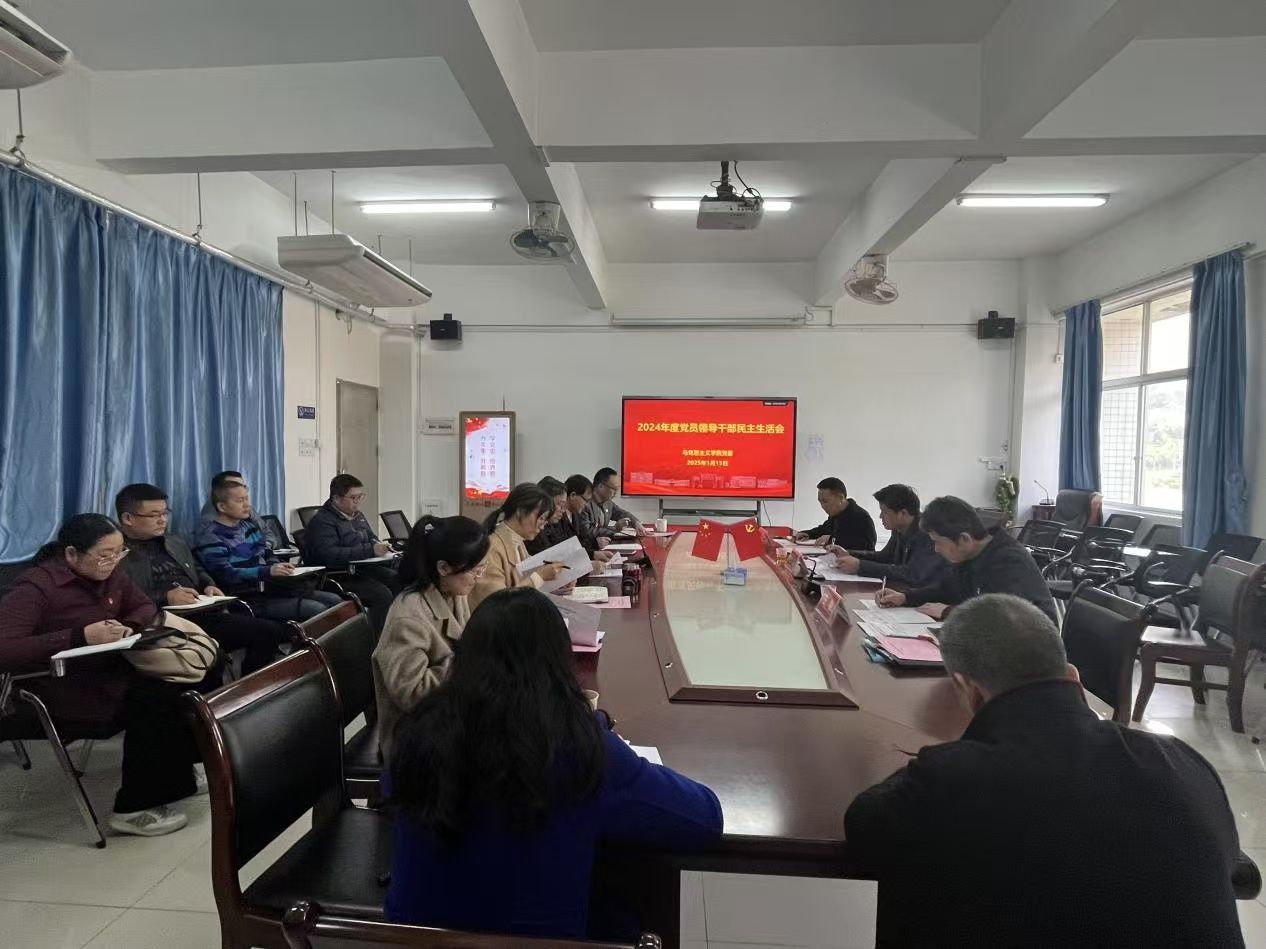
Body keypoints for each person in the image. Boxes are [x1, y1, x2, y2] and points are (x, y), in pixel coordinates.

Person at [844, 594, 1244, 947]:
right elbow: (1232, 867)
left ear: (968, 690)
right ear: (1073, 676)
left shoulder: (953, 778)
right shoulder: (1180, 760)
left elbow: (863, 827)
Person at [386, 587, 723, 939]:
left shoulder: (417, 733)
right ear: (561, 662)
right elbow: (704, 818)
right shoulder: (580, 747)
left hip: (409, 941)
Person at [0, 514, 219, 837]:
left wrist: (127, 626)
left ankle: (179, 775)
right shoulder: (37, 586)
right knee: (156, 699)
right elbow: (5, 648)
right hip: (60, 687)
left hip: (109, 671)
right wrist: (78, 637)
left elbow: (144, 607)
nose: (114, 561)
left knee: (189, 681)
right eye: (105, 555)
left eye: (119, 553)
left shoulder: (112, 575)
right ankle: (133, 808)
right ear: (72, 554)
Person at [115, 483, 289, 675]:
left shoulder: (173, 541)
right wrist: (165, 597)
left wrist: (208, 585)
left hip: (200, 613)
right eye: (154, 515)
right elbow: (120, 598)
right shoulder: (116, 554)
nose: (162, 520)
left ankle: (251, 686)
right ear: (128, 518)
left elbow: (197, 568)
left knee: (268, 631)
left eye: (165, 513)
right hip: (163, 625)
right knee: (210, 656)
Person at [372, 515, 490, 759]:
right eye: (475, 571)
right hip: (416, 739)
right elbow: (412, 694)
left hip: (447, 715)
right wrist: (469, 661)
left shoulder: (452, 592)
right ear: (444, 568)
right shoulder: (408, 617)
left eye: (482, 568)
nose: (479, 577)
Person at [876, 495, 1057, 623]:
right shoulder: (969, 554)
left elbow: (1001, 619)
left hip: (1030, 650)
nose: (936, 549)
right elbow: (945, 590)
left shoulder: (1007, 561)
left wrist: (948, 611)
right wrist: (905, 597)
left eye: (938, 542)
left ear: (964, 539)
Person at [192, 480, 342, 621]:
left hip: (271, 588)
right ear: (222, 507)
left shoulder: (249, 527)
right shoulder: (211, 536)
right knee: (317, 609)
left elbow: (266, 552)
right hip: (246, 596)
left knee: (335, 600)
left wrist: (277, 565)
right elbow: (224, 574)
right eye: (240, 500)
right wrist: (266, 571)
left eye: (246, 499)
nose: (247, 505)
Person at [304, 474, 402, 636]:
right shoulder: (322, 522)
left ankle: (396, 633)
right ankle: (376, 641)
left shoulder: (358, 516)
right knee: (381, 594)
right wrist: (371, 550)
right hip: (337, 575)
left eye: (360, 497)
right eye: (353, 498)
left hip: (361, 569)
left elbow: (371, 538)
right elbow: (331, 555)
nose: (358, 502)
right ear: (336, 498)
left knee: (397, 580)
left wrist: (381, 547)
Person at [470, 483, 571, 609]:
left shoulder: (518, 542)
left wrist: (557, 580)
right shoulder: (492, 548)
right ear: (521, 511)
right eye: (541, 518)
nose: (542, 526)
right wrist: (540, 577)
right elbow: (496, 602)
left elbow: (525, 581)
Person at [825, 484, 948, 587]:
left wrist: (860, 566)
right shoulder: (899, 528)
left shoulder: (927, 533)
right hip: (905, 590)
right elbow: (886, 556)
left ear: (903, 513)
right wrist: (849, 553)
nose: (880, 516)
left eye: (884, 512)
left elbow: (912, 573)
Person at [793, 477, 876, 551]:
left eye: (825, 501)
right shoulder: (836, 514)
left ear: (841, 498)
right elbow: (823, 529)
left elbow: (865, 546)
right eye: (820, 501)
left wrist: (832, 539)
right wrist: (808, 534)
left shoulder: (861, 517)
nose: (822, 506)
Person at [581, 467, 644, 542]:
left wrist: (636, 523)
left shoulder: (608, 503)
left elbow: (621, 513)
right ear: (600, 486)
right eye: (614, 488)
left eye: (618, 488)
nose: (616, 492)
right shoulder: (584, 503)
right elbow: (588, 532)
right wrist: (614, 529)